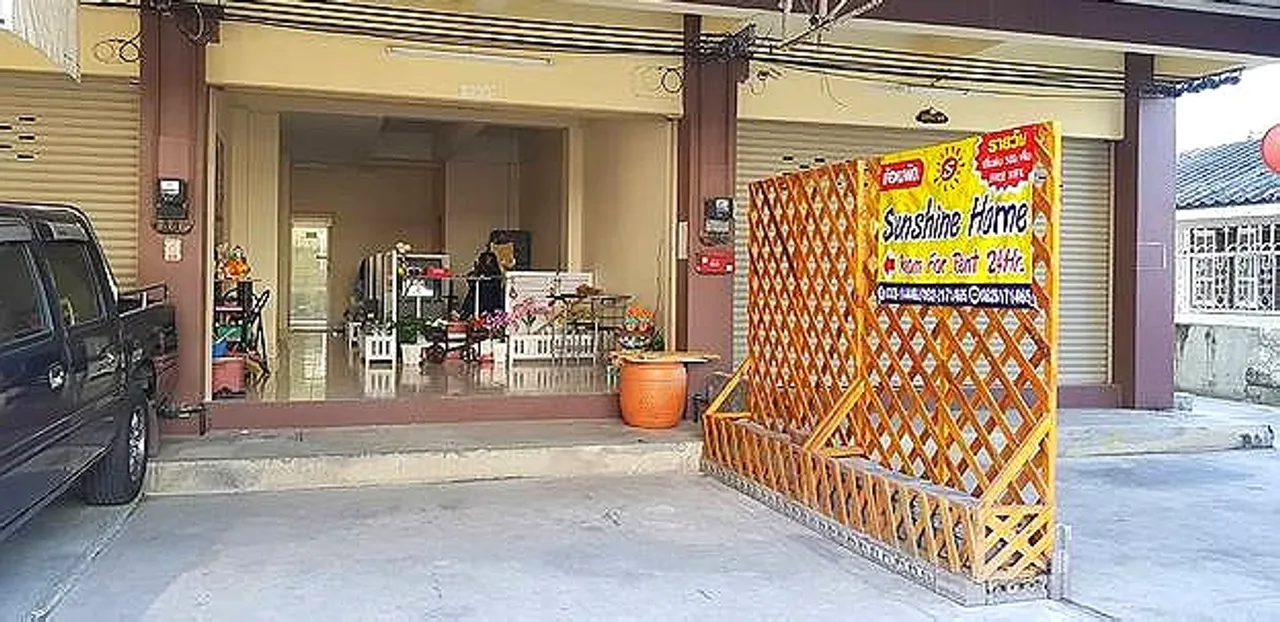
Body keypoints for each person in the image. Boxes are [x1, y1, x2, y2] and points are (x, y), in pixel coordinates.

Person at [459, 246, 504, 319]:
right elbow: (470, 280)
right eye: (486, 261)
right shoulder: (480, 271)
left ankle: (465, 314)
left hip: (488, 300)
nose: (488, 263)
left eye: (489, 261)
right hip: (480, 300)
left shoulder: (495, 273)